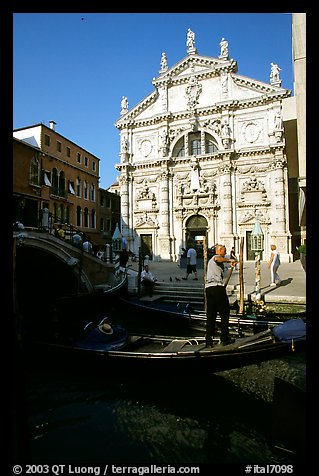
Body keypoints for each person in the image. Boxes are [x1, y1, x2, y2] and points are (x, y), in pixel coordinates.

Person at [205, 244, 237, 347]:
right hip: (217, 288)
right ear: (219, 251)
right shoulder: (215, 258)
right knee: (224, 313)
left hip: (209, 289)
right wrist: (229, 260)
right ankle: (224, 338)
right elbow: (218, 259)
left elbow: (223, 269)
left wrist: (231, 266)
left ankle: (208, 341)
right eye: (224, 251)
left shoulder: (215, 264)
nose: (225, 253)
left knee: (211, 315)